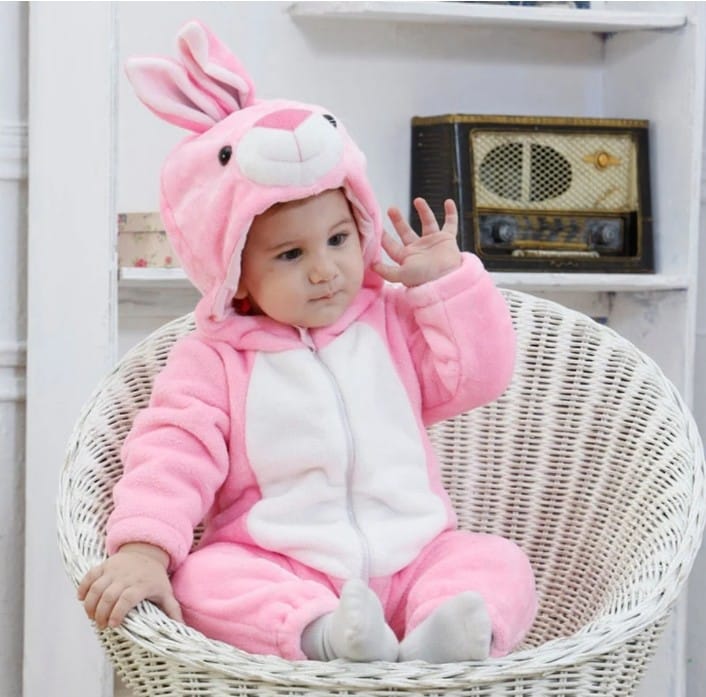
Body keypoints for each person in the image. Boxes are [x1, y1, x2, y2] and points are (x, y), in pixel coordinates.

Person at [78, 20, 537, 664]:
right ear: (234, 271)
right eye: (291, 254)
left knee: (496, 561)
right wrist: (143, 551)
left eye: (339, 240)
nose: (325, 270)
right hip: (283, 564)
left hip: (419, 550)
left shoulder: (391, 322)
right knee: (205, 579)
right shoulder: (215, 359)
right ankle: (329, 637)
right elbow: (172, 454)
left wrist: (446, 284)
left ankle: (447, 636)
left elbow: (477, 374)